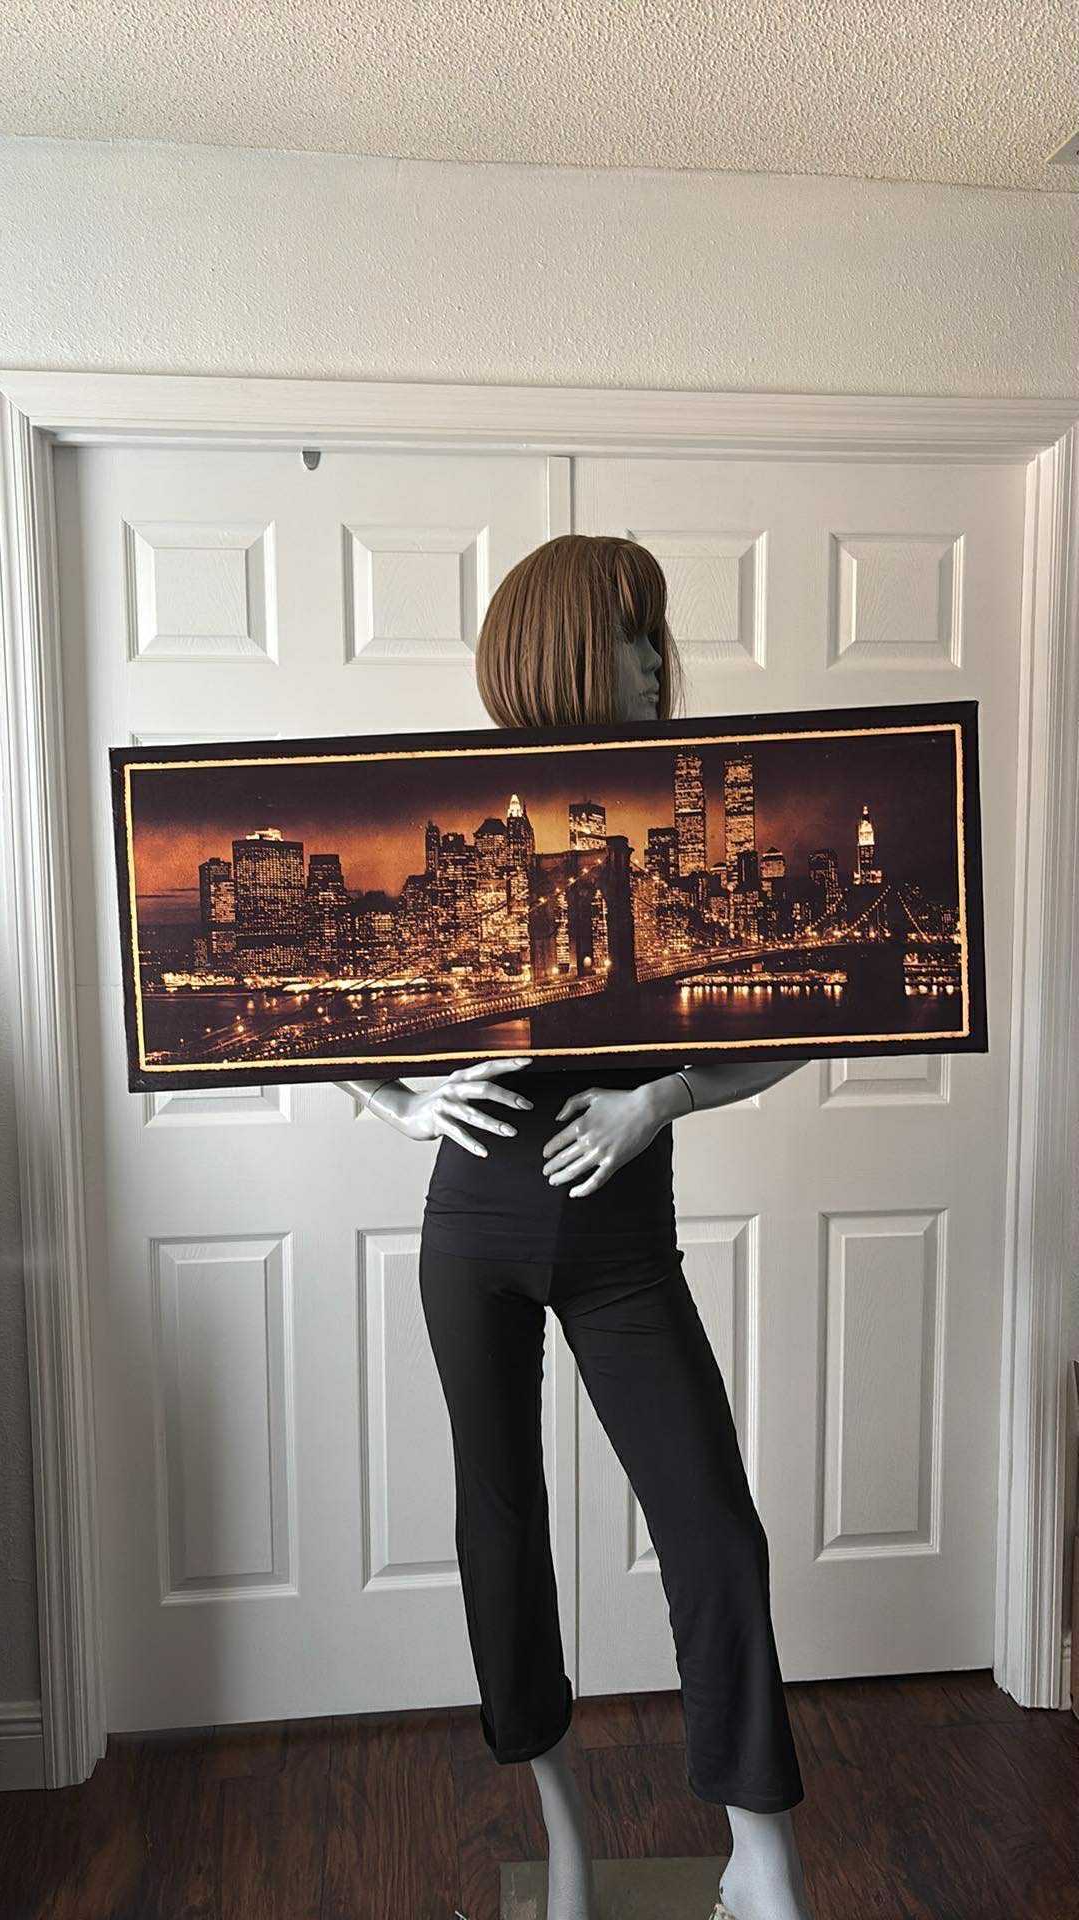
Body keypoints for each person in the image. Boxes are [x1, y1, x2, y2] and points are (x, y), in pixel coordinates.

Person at [339, 534, 813, 1920]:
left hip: (620, 1247)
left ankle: (761, 1865)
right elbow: (316, 997)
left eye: (658, 634)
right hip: (473, 1235)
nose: (659, 661)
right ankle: (564, 1844)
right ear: (561, 648)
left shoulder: (680, 820)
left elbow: (807, 1019)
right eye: (632, 633)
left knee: (713, 1533)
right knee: (503, 1538)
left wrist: (661, 1096)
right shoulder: (459, 818)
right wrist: (401, 1102)